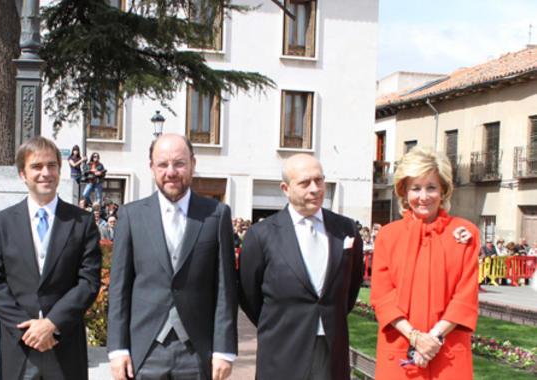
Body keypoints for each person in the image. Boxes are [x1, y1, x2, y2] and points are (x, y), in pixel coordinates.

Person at [108, 134, 237, 380]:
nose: (171, 172)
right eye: (162, 164)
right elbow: (119, 288)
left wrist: (224, 349)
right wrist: (118, 349)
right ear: (151, 167)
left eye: (179, 163)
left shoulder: (216, 214)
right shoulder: (131, 216)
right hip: (144, 349)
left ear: (192, 164)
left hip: (198, 350)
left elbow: (225, 288)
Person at [0, 136, 101, 380]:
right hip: (19, 345)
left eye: (52, 165)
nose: (46, 173)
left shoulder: (82, 222)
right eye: (36, 166)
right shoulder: (2, 223)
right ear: (22, 174)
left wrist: (52, 323)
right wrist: (29, 329)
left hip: (64, 343)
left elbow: (88, 281)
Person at [238, 153, 364, 380]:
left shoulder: (346, 229)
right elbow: (249, 294)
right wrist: (281, 320)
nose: (315, 189)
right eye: (305, 183)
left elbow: (351, 286)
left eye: (319, 180)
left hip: (331, 348)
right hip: (282, 349)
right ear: (285, 188)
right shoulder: (261, 234)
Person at [370, 146, 480, 379]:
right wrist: (415, 337)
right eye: (415, 188)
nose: (423, 197)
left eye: (431, 188)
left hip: (448, 353)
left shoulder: (465, 233)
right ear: (404, 191)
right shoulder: (388, 236)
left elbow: (465, 296)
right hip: (400, 348)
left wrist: (434, 338)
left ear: (443, 190)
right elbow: (382, 297)